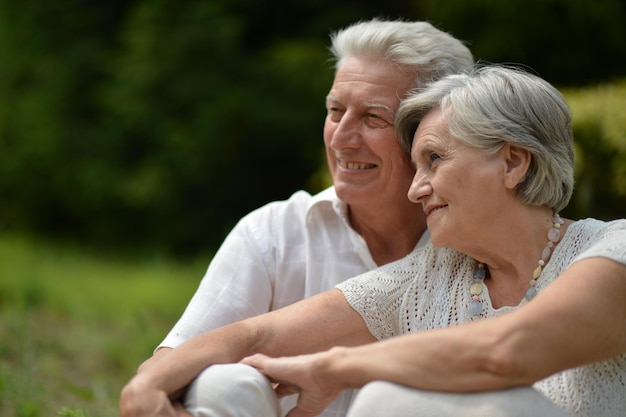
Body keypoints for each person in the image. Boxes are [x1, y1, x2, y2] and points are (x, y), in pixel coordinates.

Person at [120, 65, 626, 417]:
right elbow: (254, 336)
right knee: (225, 382)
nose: (414, 188)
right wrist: (145, 384)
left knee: (392, 402)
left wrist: (333, 368)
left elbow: (508, 351)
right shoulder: (432, 276)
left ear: (514, 163)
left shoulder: (611, 252)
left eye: (435, 159)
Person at [134, 18, 474, 417]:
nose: (341, 136)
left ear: (431, 133)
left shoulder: (476, 245)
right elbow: (179, 358)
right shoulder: (273, 232)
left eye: (372, 118)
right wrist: (147, 391)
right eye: (335, 110)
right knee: (218, 382)